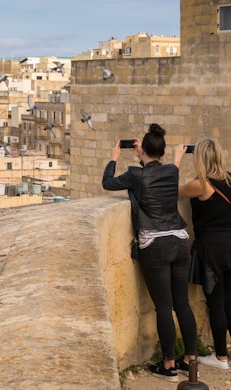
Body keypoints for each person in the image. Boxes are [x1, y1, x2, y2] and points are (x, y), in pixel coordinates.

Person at [102, 123, 197, 381]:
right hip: (179, 239)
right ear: (162, 151)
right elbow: (158, 173)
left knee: (164, 307)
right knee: (183, 303)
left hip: (155, 245)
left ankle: (168, 366)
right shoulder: (171, 171)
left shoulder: (135, 173)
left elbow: (108, 183)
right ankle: (191, 359)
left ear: (142, 149)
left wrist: (114, 158)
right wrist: (143, 155)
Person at [178, 137, 231, 370]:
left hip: (212, 250)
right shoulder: (230, 178)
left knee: (216, 303)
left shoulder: (201, 184)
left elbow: (172, 190)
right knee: (230, 301)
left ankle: (220, 357)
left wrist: (176, 161)